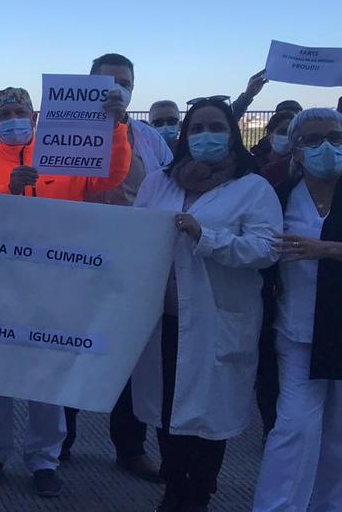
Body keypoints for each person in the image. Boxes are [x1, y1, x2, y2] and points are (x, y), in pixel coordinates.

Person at [0, 84, 131, 498]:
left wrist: (119, 128)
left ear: (35, 117)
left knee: (48, 377)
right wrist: (9, 190)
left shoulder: (65, 155)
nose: (13, 120)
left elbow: (112, 175)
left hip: (57, 283)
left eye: (21, 111)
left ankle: (45, 459)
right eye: (5, 115)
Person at [130, 97, 281, 512]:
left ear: (232, 135)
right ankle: (174, 489)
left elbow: (266, 250)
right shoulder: (160, 182)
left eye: (216, 128)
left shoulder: (253, 188)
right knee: (166, 412)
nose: (205, 136)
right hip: (163, 320)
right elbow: (134, 236)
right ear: (184, 136)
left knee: (208, 419)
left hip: (218, 322)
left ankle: (198, 495)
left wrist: (206, 237)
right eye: (196, 129)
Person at [61, 54, 172, 481]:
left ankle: (130, 447)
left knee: (129, 355)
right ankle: (59, 443)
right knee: (68, 349)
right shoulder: (61, 133)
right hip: (74, 257)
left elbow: (166, 187)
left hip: (131, 261)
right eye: (107, 81)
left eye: (124, 81)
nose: (116, 88)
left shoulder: (147, 138)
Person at [251, 108, 342, 511]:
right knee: (294, 428)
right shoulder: (280, 195)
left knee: (338, 438)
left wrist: (329, 251)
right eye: (313, 139)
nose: (326, 146)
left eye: (336, 138)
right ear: (297, 150)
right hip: (297, 334)